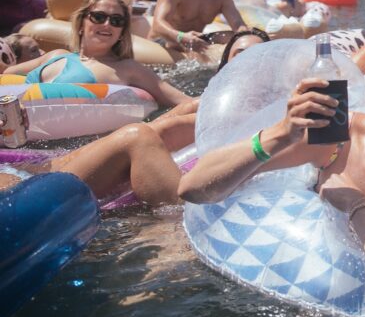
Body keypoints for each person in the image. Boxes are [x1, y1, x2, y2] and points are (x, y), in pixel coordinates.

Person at [179, 26, 365, 311]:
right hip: (290, 299)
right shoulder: (335, 138)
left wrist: (357, 206)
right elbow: (193, 187)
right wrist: (281, 133)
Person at [0, 29, 270, 205]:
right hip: (68, 172)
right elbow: (160, 129)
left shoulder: (256, 116)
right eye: (242, 55)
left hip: (80, 167)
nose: (251, 63)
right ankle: (171, 240)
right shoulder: (209, 109)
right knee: (138, 136)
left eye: (261, 57)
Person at [4, 0, 187, 107]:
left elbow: (182, 100)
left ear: (121, 33)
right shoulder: (55, 55)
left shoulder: (128, 68)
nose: (107, 24)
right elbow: (6, 73)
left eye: (116, 21)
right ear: (82, 23)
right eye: (98, 17)